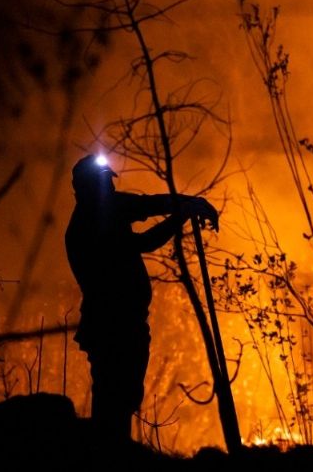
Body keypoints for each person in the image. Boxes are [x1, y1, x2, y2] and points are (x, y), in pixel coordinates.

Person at [64, 154, 218, 440]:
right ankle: (110, 452)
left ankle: (112, 448)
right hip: (111, 327)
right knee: (115, 399)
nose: (110, 188)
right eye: (103, 183)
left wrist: (189, 202)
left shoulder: (106, 208)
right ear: (86, 188)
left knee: (124, 398)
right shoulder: (90, 226)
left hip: (125, 324)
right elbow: (145, 242)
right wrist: (184, 213)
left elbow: (149, 203)